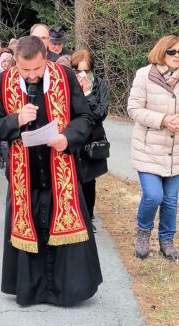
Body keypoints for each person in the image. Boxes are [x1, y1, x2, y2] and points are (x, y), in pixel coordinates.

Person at [0, 35, 102, 306]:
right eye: (25, 71)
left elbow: (85, 117)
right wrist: (16, 119)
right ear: (16, 63)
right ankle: (33, 290)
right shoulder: (3, 81)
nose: (32, 75)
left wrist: (68, 138)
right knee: (31, 229)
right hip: (23, 177)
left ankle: (64, 291)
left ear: (45, 58)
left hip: (60, 174)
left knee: (60, 227)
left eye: (37, 69)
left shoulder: (65, 76)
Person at [128, 34, 179, 261]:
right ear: (162, 51)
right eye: (172, 52)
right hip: (148, 147)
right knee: (153, 196)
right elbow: (134, 109)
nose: (178, 56)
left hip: (177, 149)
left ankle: (166, 240)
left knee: (170, 199)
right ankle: (143, 233)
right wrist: (162, 119)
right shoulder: (144, 74)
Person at [70, 49, 109, 232]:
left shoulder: (99, 85)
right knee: (72, 178)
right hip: (73, 137)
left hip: (92, 138)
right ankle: (72, 214)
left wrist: (88, 95)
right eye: (78, 71)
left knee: (89, 180)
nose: (82, 75)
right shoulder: (68, 84)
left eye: (86, 71)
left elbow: (101, 113)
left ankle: (88, 216)